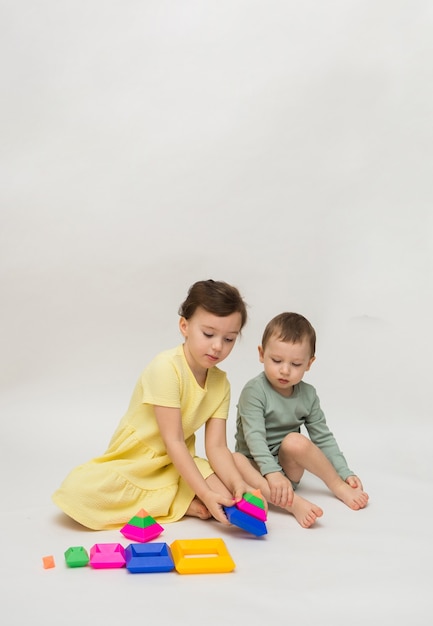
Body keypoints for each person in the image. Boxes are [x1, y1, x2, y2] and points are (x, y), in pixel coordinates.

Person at [52, 279, 254, 530]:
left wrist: (237, 483)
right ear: (185, 326)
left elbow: (217, 447)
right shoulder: (166, 367)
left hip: (180, 462)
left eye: (229, 339)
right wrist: (203, 492)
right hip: (138, 460)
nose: (217, 346)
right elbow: (174, 440)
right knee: (78, 492)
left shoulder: (221, 383)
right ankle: (174, 503)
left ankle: (176, 496)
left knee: (225, 497)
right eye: (209, 334)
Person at [233, 312, 369, 529]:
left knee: (295, 441)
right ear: (261, 354)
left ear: (309, 363)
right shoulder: (254, 391)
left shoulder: (308, 395)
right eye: (276, 360)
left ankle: (337, 487)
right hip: (257, 470)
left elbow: (323, 438)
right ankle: (293, 504)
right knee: (235, 459)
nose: (285, 370)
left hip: (287, 474)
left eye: (296, 364)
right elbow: (254, 437)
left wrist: (343, 473)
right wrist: (272, 473)